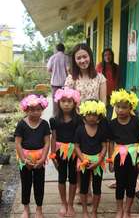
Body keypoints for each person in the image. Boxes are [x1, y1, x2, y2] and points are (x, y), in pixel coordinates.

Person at [65, 43, 107, 204]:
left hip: (94, 122)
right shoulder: (71, 79)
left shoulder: (100, 78)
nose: (82, 60)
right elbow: (66, 101)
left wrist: (98, 121)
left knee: (92, 153)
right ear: (74, 60)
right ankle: (79, 188)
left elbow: (103, 103)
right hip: (76, 122)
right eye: (79, 57)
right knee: (78, 154)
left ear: (90, 56)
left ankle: (89, 189)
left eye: (85, 56)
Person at [108, 89, 139, 218]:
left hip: (133, 156)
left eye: (124, 107)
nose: (120, 110)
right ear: (114, 106)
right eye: (118, 107)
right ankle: (119, 209)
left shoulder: (137, 121)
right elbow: (110, 142)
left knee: (131, 184)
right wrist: (110, 160)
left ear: (131, 107)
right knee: (120, 183)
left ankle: (127, 210)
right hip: (119, 157)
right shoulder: (112, 124)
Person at [14, 94, 50, 218]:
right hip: (25, 158)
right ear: (26, 109)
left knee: (39, 183)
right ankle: (26, 208)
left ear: (42, 110)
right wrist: (24, 160)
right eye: (32, 110)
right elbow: (18, 143)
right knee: (26, 182)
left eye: (38, 110)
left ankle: (39, 209)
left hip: (40, 158)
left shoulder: (45, 124)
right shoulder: (21, 124)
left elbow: (47, 142)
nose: (35, 112)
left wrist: (43, 158)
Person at [49, 87, 81, 217]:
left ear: (75, 103)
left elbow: (80, 138)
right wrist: (52, 155)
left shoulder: (79, 120)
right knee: (61, 177)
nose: (66, 104)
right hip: (60, 152)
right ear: (58, 102)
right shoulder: (54, 119)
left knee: (73, 178)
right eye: (63, 101)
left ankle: (71, 204)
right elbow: (54, 137)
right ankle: (63, 203)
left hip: (74, 152)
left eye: (69, 101)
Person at [74, 100, 108, 218]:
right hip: (84, 161)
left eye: (94, 114)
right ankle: (84, 211)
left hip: (98, 162)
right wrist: (83, 159)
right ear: (84, 116)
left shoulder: (102, 130)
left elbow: (104, 146)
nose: (91, 117)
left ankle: (94, 211)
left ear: (99, 117)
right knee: (83, 187)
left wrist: (99, 161)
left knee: (97, 187)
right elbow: (77, 146)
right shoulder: (80, 130)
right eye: (89, 114)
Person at [96, 48, 120, 119]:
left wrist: (117, 93)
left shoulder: (116, 67)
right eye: (105, 55)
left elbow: (118, 81)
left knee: (110, 113)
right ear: (103, 57)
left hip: (112, 95)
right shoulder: (99, 66)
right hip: (102, 94)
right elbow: (96, 80)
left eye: (109, 55)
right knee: (101, 112)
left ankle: (107, 126)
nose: (107, 57)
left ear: (112, 56)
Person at [47, 43, 69, 116]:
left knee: (55, 101)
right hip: (65, 83)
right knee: (64, 100)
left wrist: (54, 70)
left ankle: (55, 117)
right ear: (64, 49)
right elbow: (68, 70)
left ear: (56, 49)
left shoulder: (52, 57)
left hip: (55, 83)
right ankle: (64, 116)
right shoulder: (66, 57)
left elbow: (48, 69)